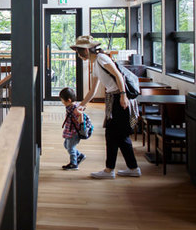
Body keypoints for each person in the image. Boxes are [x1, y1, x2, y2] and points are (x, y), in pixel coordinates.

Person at [71, 35, 141, 179]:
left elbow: (118, 76)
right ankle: (130, 168)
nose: (78, 54)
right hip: (113, 99)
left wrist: (122, 95)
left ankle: (112, 170)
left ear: (87, 50)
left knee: (115, 135)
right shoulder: (95, 64)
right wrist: (81, 106)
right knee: (118, 136)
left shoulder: (102, 59)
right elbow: (92, 91)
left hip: (119, 98)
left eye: (79, 50)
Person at [59, 87, 86, 170]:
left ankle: (74, 163)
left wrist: (80, 116)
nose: (62, 102)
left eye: (62, 100)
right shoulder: (72, 107)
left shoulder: (75, 109)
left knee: (70, 147)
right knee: (66, 145)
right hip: (70, 131)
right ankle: (79, 155)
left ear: (69, 100)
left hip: (74, 132)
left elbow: (80, 119)